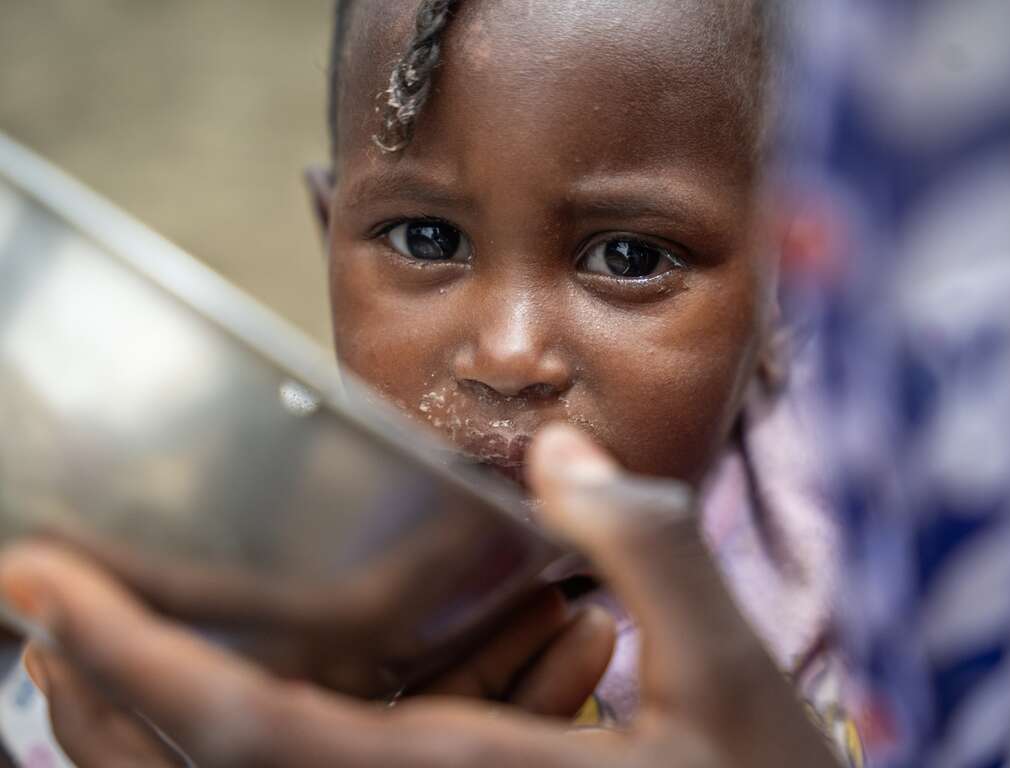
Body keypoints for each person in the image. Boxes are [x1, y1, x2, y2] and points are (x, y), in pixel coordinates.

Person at [0, 0, 858, 765]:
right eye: (425, 239)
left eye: (628, 257)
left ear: (786, 290)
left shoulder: (865, 531)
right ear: (329, 238)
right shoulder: (260, 572)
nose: (508, 355)